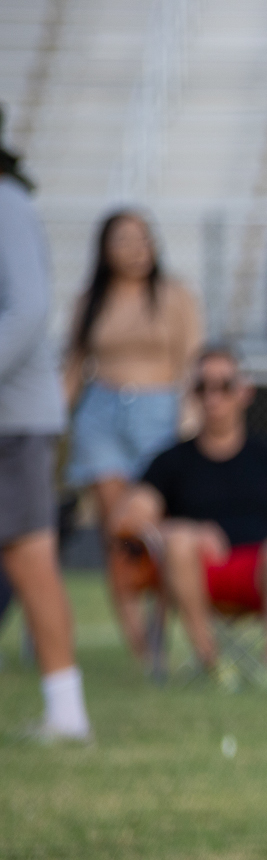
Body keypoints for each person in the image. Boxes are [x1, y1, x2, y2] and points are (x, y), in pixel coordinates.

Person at [118, 348, 267, 691]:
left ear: (244, 392)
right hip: (195, 574)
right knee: (177, 543)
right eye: (204, 387)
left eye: (224, 386)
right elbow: (130, 519)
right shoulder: (170, 461)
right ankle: (211, 661)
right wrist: (183, 530)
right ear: (194, 394)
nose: (213, 397)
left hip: (259, 573)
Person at [62, 209, 202, 657]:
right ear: (105, 248)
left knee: (153, 531)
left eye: (142, 238)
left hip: (158, 411)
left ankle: (159, 630)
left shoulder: (173, 295)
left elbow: (192, 358)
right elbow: (73, 367)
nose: (135, 248)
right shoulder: (91, 299)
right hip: (100, 412)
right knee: (116, 531)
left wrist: (190, 415)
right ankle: (139, 646)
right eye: (123, 239)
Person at [0, 106, 91, 743]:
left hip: (14, 420)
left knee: (31, 557)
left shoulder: (6, 202)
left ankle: (67, 711)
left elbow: (29, 309)